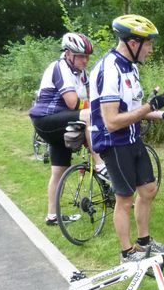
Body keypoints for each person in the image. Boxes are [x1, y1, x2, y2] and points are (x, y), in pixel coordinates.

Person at [89, 14, 164, 263]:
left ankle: (144, 242)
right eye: (148, 43)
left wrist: (162, 114)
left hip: (132, 138)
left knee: (148, 189)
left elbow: (134, 111)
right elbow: (112, 121)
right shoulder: (109, 69)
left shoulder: (131, 68)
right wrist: (149, 107)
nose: (151, 49)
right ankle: (127, 253)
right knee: (124, 199)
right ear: (133, 43)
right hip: (114, 142)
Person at [29, 32, 106, 226]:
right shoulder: (60, 67)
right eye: (81, 56)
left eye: (87, 56)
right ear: (68, 53)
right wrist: (92, 107)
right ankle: (99, 164)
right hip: (46, 120)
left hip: (61, 124)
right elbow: (72, 103)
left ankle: (52, 216)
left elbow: (92, 97)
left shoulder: (80, 73)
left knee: (58, 172)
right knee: (89, 116)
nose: (85, 60)